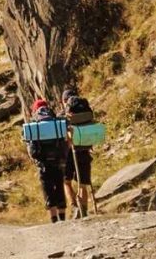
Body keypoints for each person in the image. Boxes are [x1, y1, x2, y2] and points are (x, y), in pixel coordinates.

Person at [25, 98, 68, 223]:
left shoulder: (34, 122)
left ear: (35, 109)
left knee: (47, 189)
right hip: (58, 161)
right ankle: (63, 217)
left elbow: (30, 145)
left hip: (43, 162)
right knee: (59, 186)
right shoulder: (55, 120)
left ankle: (53, 219)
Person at [61, 86, 95, 218]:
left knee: (66, 182)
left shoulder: (62, 115)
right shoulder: (85, 109)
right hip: (85, 148)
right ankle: (84, 210)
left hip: (69, 152)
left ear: (64, 101)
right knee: (83, 183)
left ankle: (74, 206)